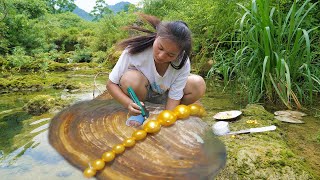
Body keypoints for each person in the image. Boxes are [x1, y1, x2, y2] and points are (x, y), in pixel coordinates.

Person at [106, 13, 206, 127]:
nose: (161, 56)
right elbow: (111, 84)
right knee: (130, 79)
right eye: (160, 48)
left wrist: (167, 117)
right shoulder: (134, 51)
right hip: (143, 95)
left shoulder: (183, 61)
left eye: (171, 55)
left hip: (167, 96)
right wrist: (128, 103)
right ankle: (140, 112)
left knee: (198, 84)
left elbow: (175, 95)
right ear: (157, 36)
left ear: (179, 54)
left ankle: (167, 109)